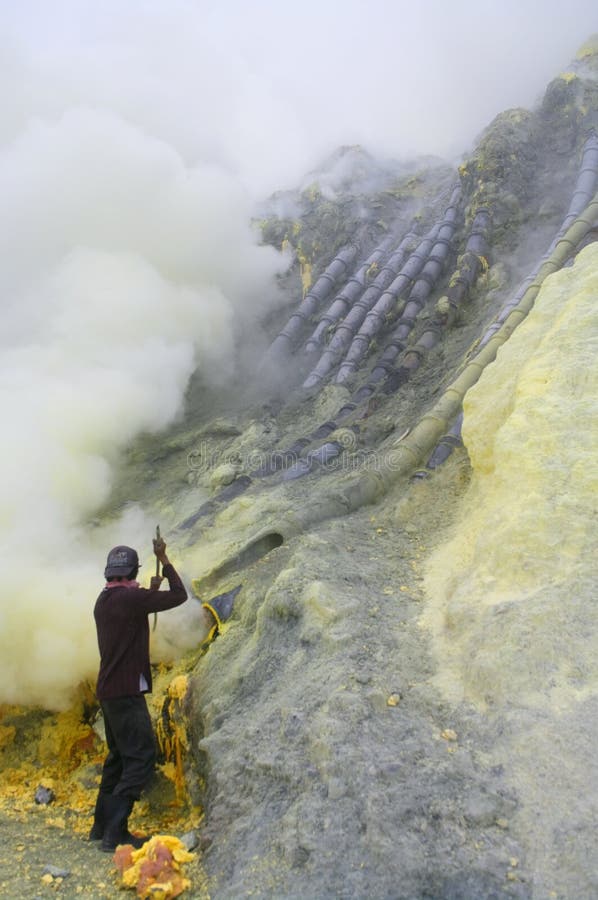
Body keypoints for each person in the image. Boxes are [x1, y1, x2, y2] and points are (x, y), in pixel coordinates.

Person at [89, 535, 187, 853]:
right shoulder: (132, 600)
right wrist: (165, 558)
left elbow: (130, 617)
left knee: (117, 758)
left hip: (109, 691)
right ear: (133, 572)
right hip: (127, 692)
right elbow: (180, 595)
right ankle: (115, 833)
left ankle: (100, 827)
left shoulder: (104, 600)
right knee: (141, 757)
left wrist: (151, 591)